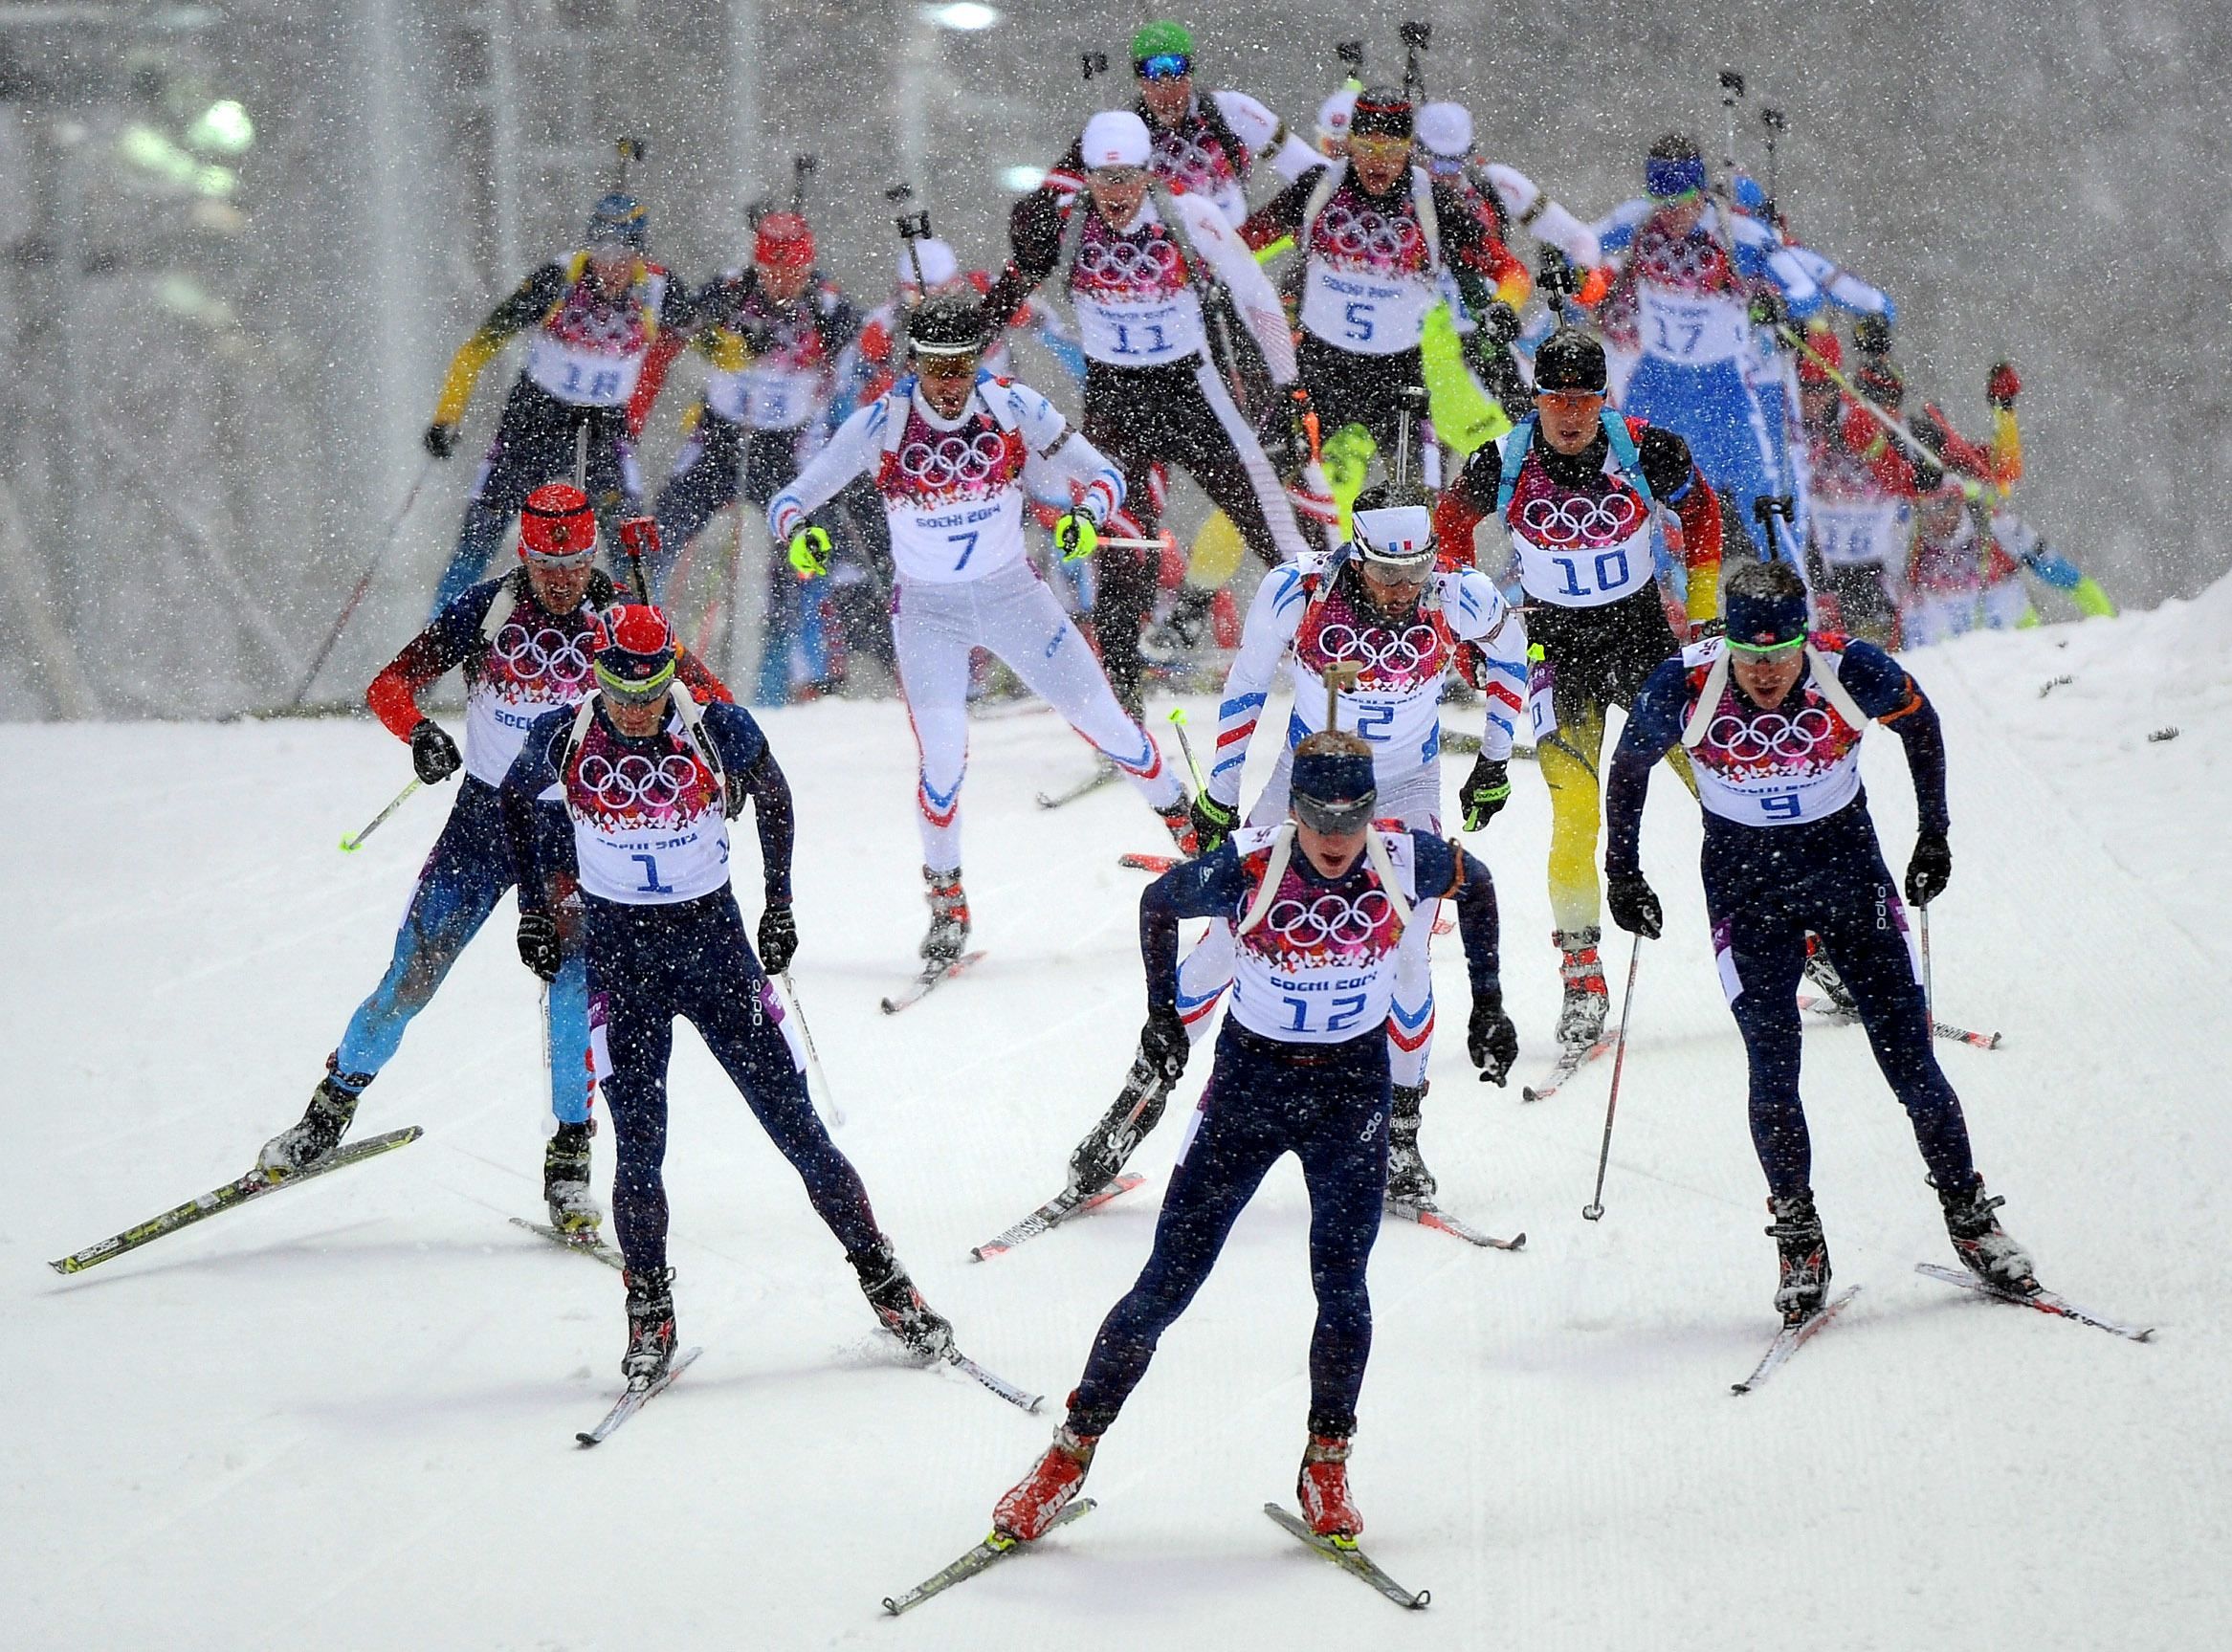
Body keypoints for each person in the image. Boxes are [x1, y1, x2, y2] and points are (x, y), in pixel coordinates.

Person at [990, 730, 1514, 1544]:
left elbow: (1477, 886)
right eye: (1316, 816)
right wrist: (1161, 1014)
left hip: (1350, 1092)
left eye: (1351, 817)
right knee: (1166, 1282)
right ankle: (1067, 1453)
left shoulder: (1406, 856)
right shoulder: (1251, 861)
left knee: (1342, 1285)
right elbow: (1157, 902)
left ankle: (1325, 1463)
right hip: (1250, 1088)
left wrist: (1488, 1003)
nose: (1336, 837)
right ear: (1293, 809)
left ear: (1373, 809)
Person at [255, 485, 730, 1233]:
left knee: (573, 991)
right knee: (409, 976)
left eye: (575, 562)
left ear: (591, 554)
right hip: (482, 823)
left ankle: (569, 1162)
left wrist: (710, 760)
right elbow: (389, 685)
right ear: (526, 554)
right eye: (548, 563)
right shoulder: (488, 609)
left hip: (576, 833)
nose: (562, 579)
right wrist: (417, 731)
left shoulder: (620, 621)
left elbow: (712, 703)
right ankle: (327, 1110)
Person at [498, 605, 953, 1379]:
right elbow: (514, 801)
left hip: (714, 953)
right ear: (596, 677)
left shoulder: (714, 723)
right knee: (639, 1147)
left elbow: (774, 796)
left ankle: (887, 1284)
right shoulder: (562, 732)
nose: (636, 710)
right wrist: (535, 909)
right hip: (622, 963)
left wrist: (779, 904)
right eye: (618, 691)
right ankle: (650, 1315)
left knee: (799, 1130)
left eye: (650, 692)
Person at [1601, 557, 2038, 1323]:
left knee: (1908, 1059)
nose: (1765, 674)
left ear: (1804, 638)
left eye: (1779, 656)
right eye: (1750, 657)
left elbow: (1920, 725)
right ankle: (1798, 1236)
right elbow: (1629, 767)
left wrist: (1933, 836)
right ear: (1727, 645)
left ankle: (1972, 1221)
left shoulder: (1849, 666)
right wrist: (1622, 872)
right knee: (1773, 1064)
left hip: (1846, 872)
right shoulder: (1683, 682)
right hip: (1745, 886)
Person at [1064, 490, 1523, 1208]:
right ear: (1355, 555)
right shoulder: (1299, 589)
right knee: (1228, 939)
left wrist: (1495, 758)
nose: (1403, 592)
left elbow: (1513, 650)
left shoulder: (1457, 592)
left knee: (1405, 956)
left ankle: (1400, 1135)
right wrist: (1219, 790)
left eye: (1415, 573)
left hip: (1405, 787)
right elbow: (1246, 686)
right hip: (1301, 781)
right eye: (1385, 576)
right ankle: (1140, 1097)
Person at [767, 290, 1193, 966]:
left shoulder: (1011, 405)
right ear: (914, 363)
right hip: (928, 612)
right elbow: (791, 499)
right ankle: (946, 900)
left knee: (1109, 725)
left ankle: (1199, 841)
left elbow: (1102, 475)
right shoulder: (882, 421)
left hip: (1011, 596)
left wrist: (1088, 518)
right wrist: (797, 535)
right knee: (942, 760)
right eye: (935, 367)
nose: (947, 384)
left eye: (960, 367)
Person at [1433, 326, 1722, 1051]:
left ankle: (1803, 944)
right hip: (1555, 649)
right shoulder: (1501, 460)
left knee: (1719, 783)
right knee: (1575, 812)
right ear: (1535, 399)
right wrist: (1474, 631)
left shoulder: (1645, 449)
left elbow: (1703, 513)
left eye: (1583, 400)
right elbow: (1447, 530)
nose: (1568, 415)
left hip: (1641, 639)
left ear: (1603, 399)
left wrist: (1708, 617)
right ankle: (1581, 976)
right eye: (1554, 399)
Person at [985, 109, 1315, 717]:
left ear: (1148, 173)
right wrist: (961, 341)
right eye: (1102, 180)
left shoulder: (1188, 214)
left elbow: (1256, 293)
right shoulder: (1068, 222)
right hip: (1115, 398)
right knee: (1121, 546)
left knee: (1268, 522)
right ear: (1085, 177)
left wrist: (1292, 389)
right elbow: (1014, 286)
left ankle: (1334, 660)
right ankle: (1122, 698)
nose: (1115, 194)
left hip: (1193, 391)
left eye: (1127, 179)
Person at [1241, 86, 1529, 519]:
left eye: (1392, 149)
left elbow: (1512, 272)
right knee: (1256, 487)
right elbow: (1243, 244)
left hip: (1398, 380)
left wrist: (1506, 306)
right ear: (1350, 142)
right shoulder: (1319, 189)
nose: (1379, 161)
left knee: (1419, 510)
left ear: (1410, 148)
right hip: (1320, 369)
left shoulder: (1433, 203)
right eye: (1368, 146)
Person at [422, 194, 696, 614]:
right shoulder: (559, 279)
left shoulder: (659, 290)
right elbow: (477, 349)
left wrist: (748, 345)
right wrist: (447, 418)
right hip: (535, 421)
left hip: (606, 429)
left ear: (639, 250)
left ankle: (645, 656)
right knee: (477, 541)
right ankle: (427, 659)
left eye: (623, 251)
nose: (611, 264)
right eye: (601, 248)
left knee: (633, 552)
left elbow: (719, 346)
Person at [634, 212, 863, 704]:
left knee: (796, 569)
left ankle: (777, 693)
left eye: (794, 272)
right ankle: (632, 658)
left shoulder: (828, 307)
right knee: (658, 540)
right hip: (718, 440)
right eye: (773, 271)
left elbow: (852, 372)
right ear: (758, 263)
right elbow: (686, 337)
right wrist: (737, 346)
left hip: (786, 450)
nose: (783, 282)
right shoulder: (729, 290)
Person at [1589, 135, 1822, 564]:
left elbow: (1807, 292)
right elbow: (1582, 243)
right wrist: (1568, 266)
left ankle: (1792, 605)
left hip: (1726, 386)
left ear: (1700, 192)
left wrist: (1775, 304)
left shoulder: (1738, 235)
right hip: (1656, 381)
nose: (1671, 214)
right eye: (1662, 201)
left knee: (1762, 500)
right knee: (1631, 495)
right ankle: (1650, 609)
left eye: (1682, 200)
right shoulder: (1640, 221)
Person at [1039, 20, 1319, 230]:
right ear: (1138, 79)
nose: (1167, 93)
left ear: (1191, 72)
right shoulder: (1123, 132)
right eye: (1153, 81)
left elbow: (1310, 170)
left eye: (1177, 77)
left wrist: (1275, 226)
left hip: (1234, 258)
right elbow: (1059, 191)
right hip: (1167, 274)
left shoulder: (1231, 111)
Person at [1797, 331, 1913, 644]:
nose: (1886, 411)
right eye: (1876, 402)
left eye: (1893, 402)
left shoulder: (1902, 435)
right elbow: (1800, 468)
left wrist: (1872, 445)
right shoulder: (1832, 419)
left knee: (1878, 651)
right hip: (1823, 561)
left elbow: (1904, 481)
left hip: (1875, 565)